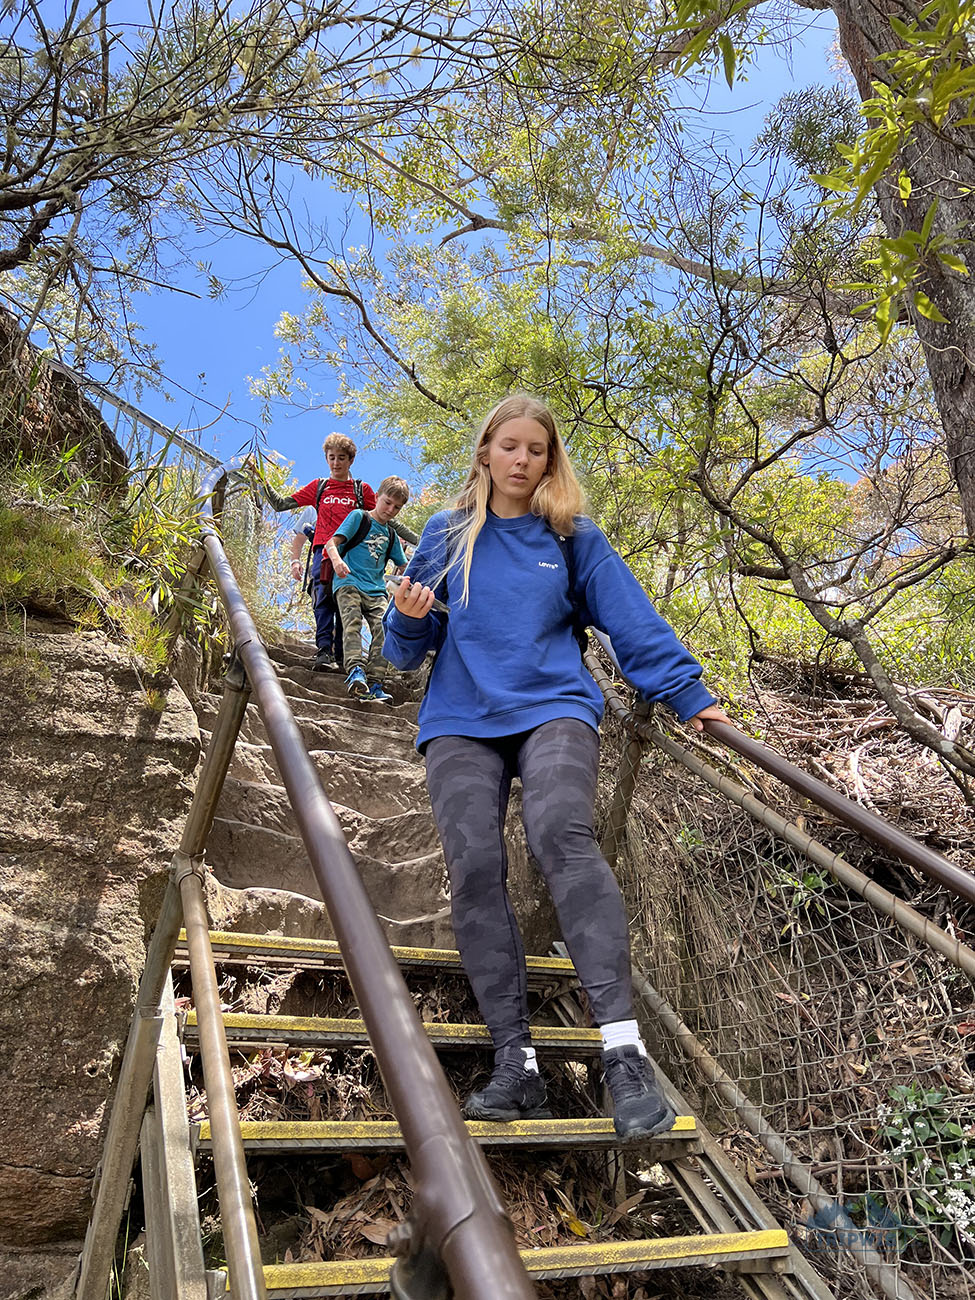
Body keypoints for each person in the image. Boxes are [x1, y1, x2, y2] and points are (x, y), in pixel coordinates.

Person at [381, 394, 730, 1140]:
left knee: (561, 836)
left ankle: (624, 1058)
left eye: (535, 449)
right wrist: (408, 617)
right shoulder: (444, 537)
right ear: (483, 452)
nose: (520, 459)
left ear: (548, 460)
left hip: (553, 708)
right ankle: (517, 1065)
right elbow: (402, 655)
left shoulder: (571, 537)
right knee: (473, 865)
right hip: (460, 717)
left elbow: (631, 620)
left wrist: (691, 695)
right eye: (508, 445)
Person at [259, 433, 416, 670]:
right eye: (331, 457)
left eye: (341, 458)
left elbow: (386, 518)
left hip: (353, 554)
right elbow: (281, 504)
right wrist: (259, 477)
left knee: (346, 603)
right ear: (326, 458)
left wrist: (421, 540)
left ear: (350, 460)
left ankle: (344, 656)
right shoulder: (319, 487)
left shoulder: (360, 489)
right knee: (322, 599)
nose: (336, 463)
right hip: (323, 551)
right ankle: (324, 651)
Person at [326, 475, 410, 703]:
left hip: (376, 590)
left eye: (397, 507)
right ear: (376, 497)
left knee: (386, 630)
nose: (391, 510)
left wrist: (397, 583)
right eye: (387, 502)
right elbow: (331, 543)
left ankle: (375, 683)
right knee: (351, 624)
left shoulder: (391, 535)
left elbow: (402, 564)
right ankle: (355, 671)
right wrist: (337, 562)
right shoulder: (359, 517)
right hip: (348, 582)